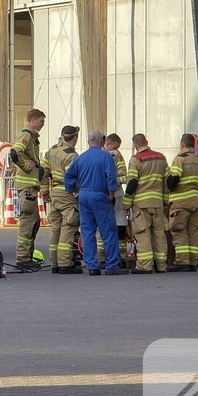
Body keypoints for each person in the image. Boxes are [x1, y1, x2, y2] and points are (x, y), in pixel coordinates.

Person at [64, 130, 122, 275]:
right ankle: (112, 266)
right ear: (102, 141)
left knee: (88, 232)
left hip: (84, 196)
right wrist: (111, 193)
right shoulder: (105, 156)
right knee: (108, 231)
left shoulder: (81, 158)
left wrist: (73, 192)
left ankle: (92, 266)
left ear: (88, 141)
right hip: (100, 196)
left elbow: (68, 176)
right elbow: (111, 176)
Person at [123, 133, 169, 274]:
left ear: (135, 145)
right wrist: (165, 200)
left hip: (141, 204)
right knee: (159, 234)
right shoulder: (161, 157)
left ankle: (145, 266)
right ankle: (161, 265)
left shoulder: (136, 160)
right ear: (146, 142)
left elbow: (131, 184)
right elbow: (167, 181)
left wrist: (126, 205)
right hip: (157, 203)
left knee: (142, 234)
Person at [166, 134, 198, 272]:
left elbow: (173, 179)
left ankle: (182, 261)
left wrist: (169, 188)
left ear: (182, 145)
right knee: (192, 232)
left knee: (179, 230)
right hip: (195, 202)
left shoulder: (180, 159)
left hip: (180, 202)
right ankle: (192, 261)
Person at [41, 126, 82, 274]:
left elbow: (43, 173)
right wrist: (76, 193)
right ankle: (65, 262)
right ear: (75, 138)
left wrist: (45, 192)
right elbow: (72, 178)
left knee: (56, 229)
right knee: (69, 227)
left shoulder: (51, 151)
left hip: (55, 194)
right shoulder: (72, 155)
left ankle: (55, 262)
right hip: (67, 194)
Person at [10, 108, 46, 268]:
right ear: (33, 120)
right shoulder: (26, 135)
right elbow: (14, 153)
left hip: (30, 185)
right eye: (41, 120)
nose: (43, 123)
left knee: (34, 221)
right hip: (26, 186)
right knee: (28, 220)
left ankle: (27, 256)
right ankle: (23, 258)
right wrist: (26, 166)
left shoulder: (32, 137)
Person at [98, 133, 128, 262]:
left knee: (120, 224)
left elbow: (124, 176)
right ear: (107, 144)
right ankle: (102, 255)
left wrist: (112, 181)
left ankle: (122, 254)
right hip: (102, 194)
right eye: (114, 147)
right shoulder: (98, 154)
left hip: (116, 194)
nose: (115, 150)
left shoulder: (117, 156)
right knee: (102, 226)